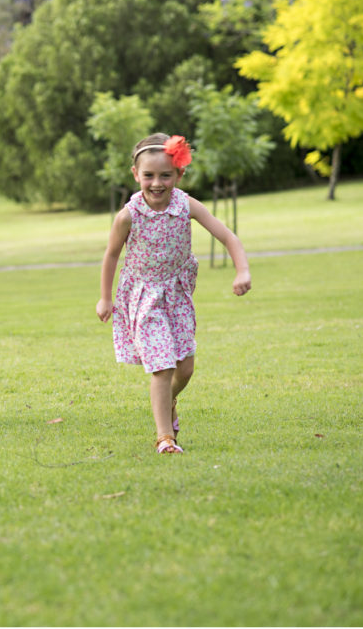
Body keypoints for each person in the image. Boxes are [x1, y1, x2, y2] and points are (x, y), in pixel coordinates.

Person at [96, 133, 251, 454]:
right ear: (135, 175)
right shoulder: (128, 215)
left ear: (179, 174)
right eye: (149, 175)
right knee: (163, 367)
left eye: (165, 175)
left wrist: (242, 271)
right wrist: (105, 297)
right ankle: (165, 437)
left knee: (185, 368)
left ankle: (168, 399)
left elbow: (227, 236)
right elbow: (111, 255)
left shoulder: (186, 205)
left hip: (177, 295)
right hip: (143, 297)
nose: (157, 183)